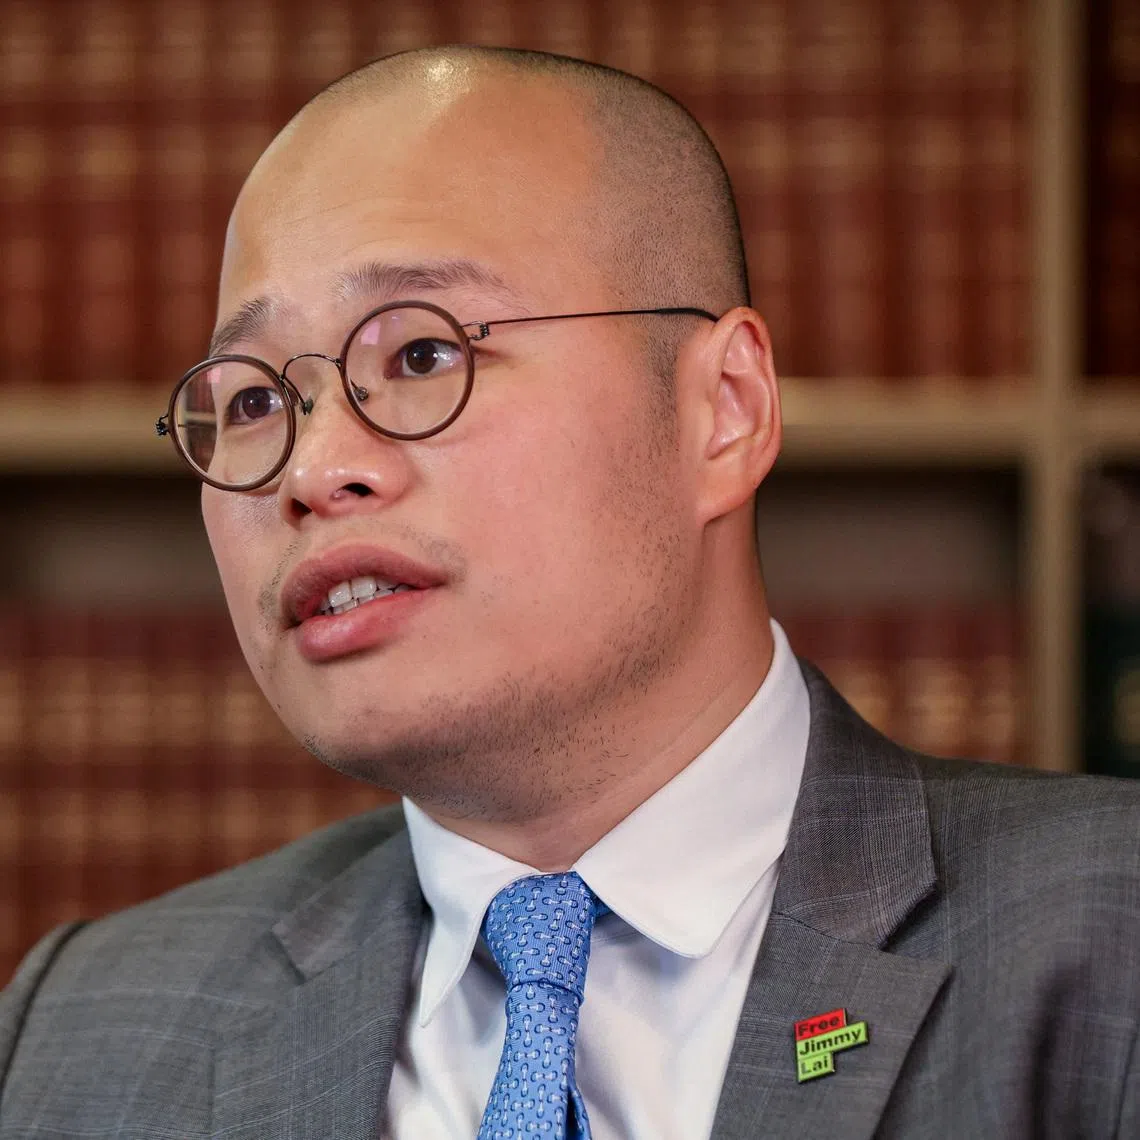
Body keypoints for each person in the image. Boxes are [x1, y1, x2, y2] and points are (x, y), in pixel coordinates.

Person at [1, 45, 1138, 1140]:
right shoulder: (76, 1036)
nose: (311, 470)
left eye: (421, 355)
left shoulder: (1104, 942)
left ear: (723, 410)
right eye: (253, 403)